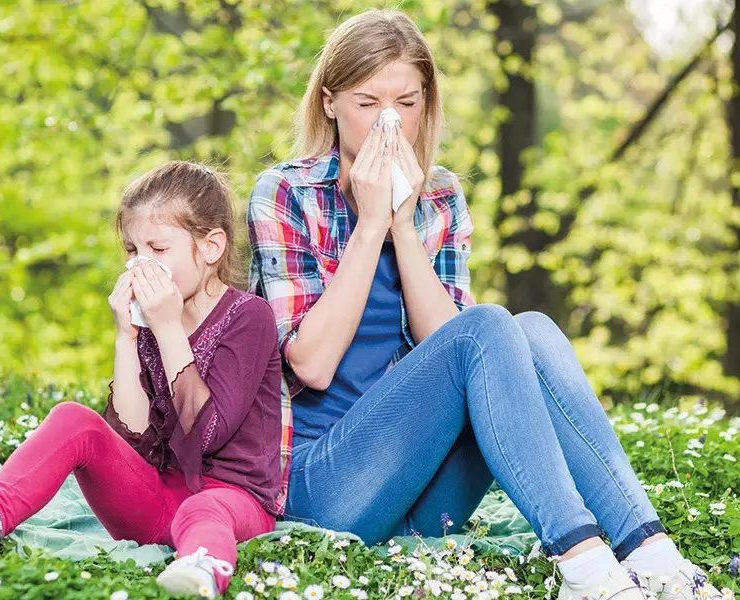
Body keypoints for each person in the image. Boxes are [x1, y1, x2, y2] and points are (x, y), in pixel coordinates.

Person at [246, 9, 722, 600]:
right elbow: (310, 364)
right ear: (330, 103)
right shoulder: (287, 192)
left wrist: (403, 225)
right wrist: (370, 227)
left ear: (428, 102)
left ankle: (651, 553)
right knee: (491, 325)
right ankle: (581, 562)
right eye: (368, 104)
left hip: (422, 495)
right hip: (327, 489)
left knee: (533, 329)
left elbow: (461, 350)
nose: (388, 124)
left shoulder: (439, 194)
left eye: (407, 103)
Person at [0, 161, 283, 598]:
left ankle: (201, 570)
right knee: (74, 418)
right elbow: (132, 441)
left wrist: (168, 328)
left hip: (233, 503)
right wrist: (126, 337)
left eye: (158, 248)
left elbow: (206, 435)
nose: (140, 264)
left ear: (211, 248)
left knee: (205, 509)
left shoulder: (249, 317)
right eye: (132, 250)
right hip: (155, 503)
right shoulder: (150, 323)